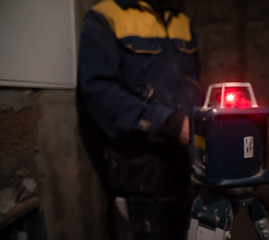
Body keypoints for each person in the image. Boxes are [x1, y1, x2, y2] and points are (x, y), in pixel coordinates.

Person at [76, 0, 204, 239]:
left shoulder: (181, 20)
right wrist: (169, 123)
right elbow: (99, 93)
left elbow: (194, 82)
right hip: (137, 161)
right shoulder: (106, 16)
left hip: (185, 159)